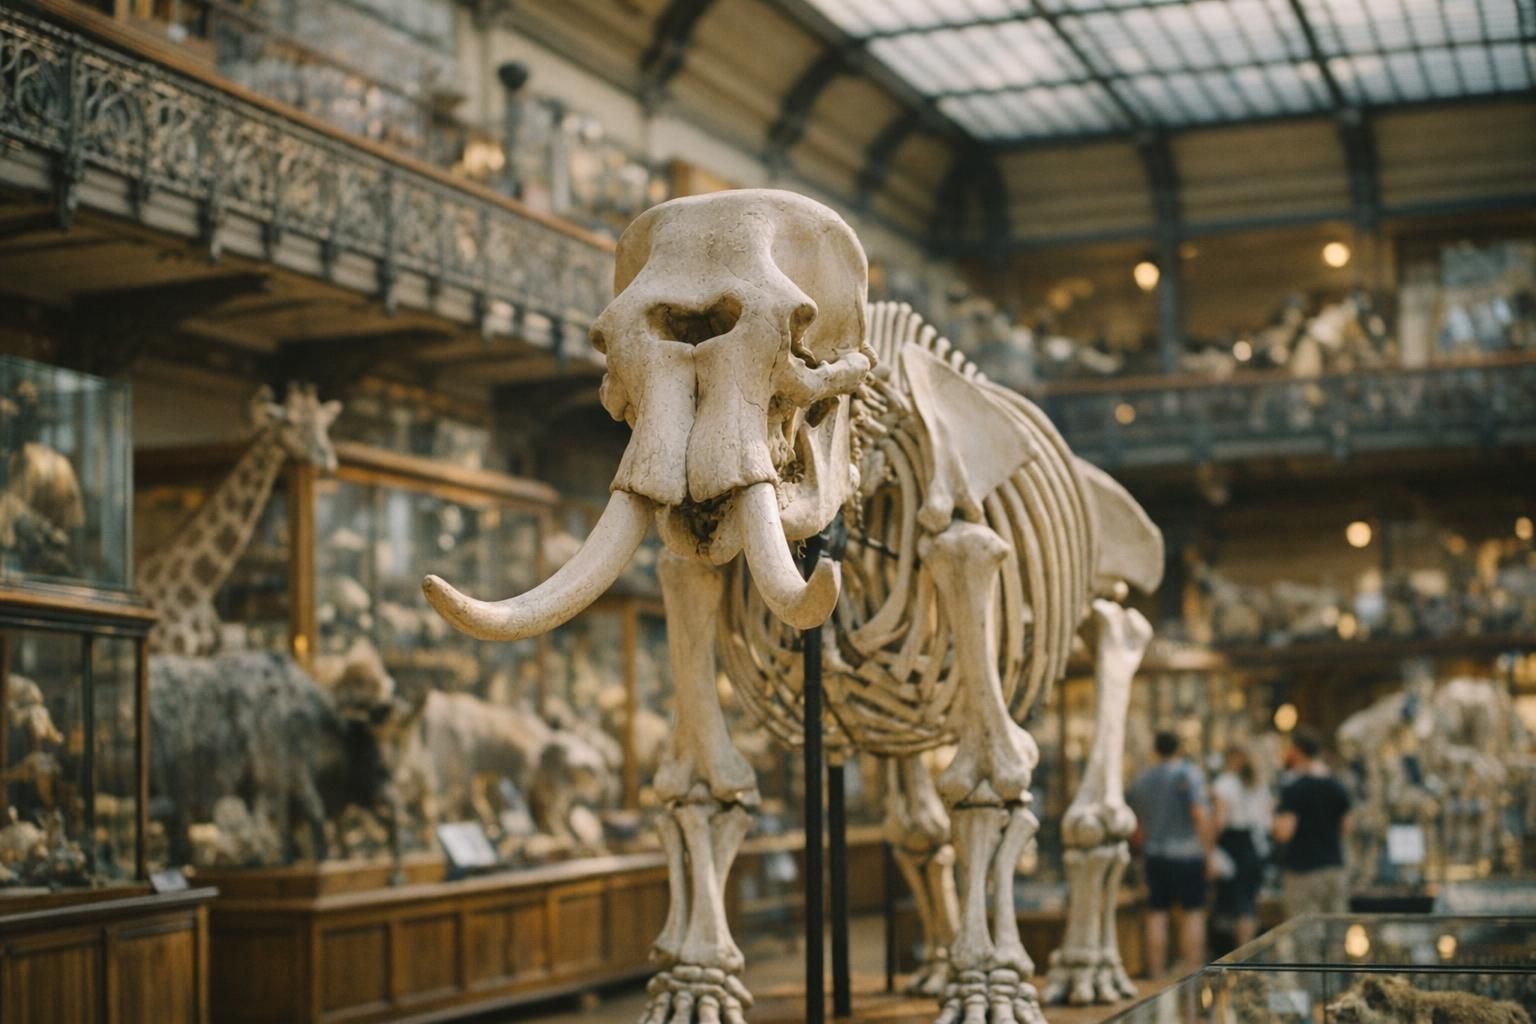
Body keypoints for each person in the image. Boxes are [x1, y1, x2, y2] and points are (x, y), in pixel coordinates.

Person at [1127, 730, 1215, 979]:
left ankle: (1156, 974)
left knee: (1157, 914)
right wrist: (1209, 853)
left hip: (1154, 854)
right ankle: (1192, 972)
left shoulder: (1142, 779)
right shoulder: (1188, 774)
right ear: (1179, 748)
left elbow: (1136, 823)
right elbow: (1199, 814)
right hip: (1187, 853)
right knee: (1193, 912)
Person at [1274, 727, 1352, 917]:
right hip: (1334, 866)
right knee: (1336, 933)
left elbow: (1284, 832)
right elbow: (1347, 826)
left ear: (1297, 750)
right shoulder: (1337, 785)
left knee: (1305, 937)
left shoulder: (1294, 788)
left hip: (1303, 870)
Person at [1211, 745, 1271, 947]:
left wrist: (1210, 846)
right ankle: (1248, 948)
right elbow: (1267, 815)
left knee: (1237, 904)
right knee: (1249, 902)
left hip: (1234, 843)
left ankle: (1239, 951)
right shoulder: (1257, 783)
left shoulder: (1225, 783)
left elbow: (1220, 820)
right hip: (1255, 844)